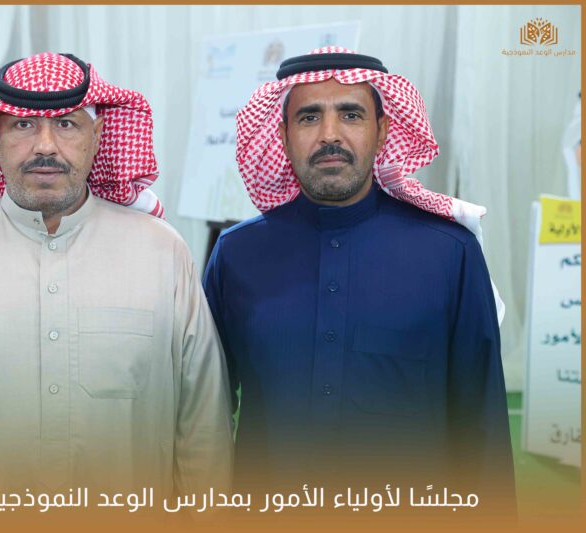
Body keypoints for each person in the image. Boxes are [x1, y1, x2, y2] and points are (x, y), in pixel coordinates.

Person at [0, 52, 233, 516]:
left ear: (97, 137)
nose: (45, 146)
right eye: (23, 125)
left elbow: (202, 427)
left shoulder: (162, 253)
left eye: (67, 125)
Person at [203, 47, 515, 513]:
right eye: (309, 117)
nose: (330, 135)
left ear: (382, 130)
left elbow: (481, 423)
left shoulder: (450, 252)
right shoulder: (237, 254)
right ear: (283, 135)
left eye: (351, 114)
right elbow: (205, 414)